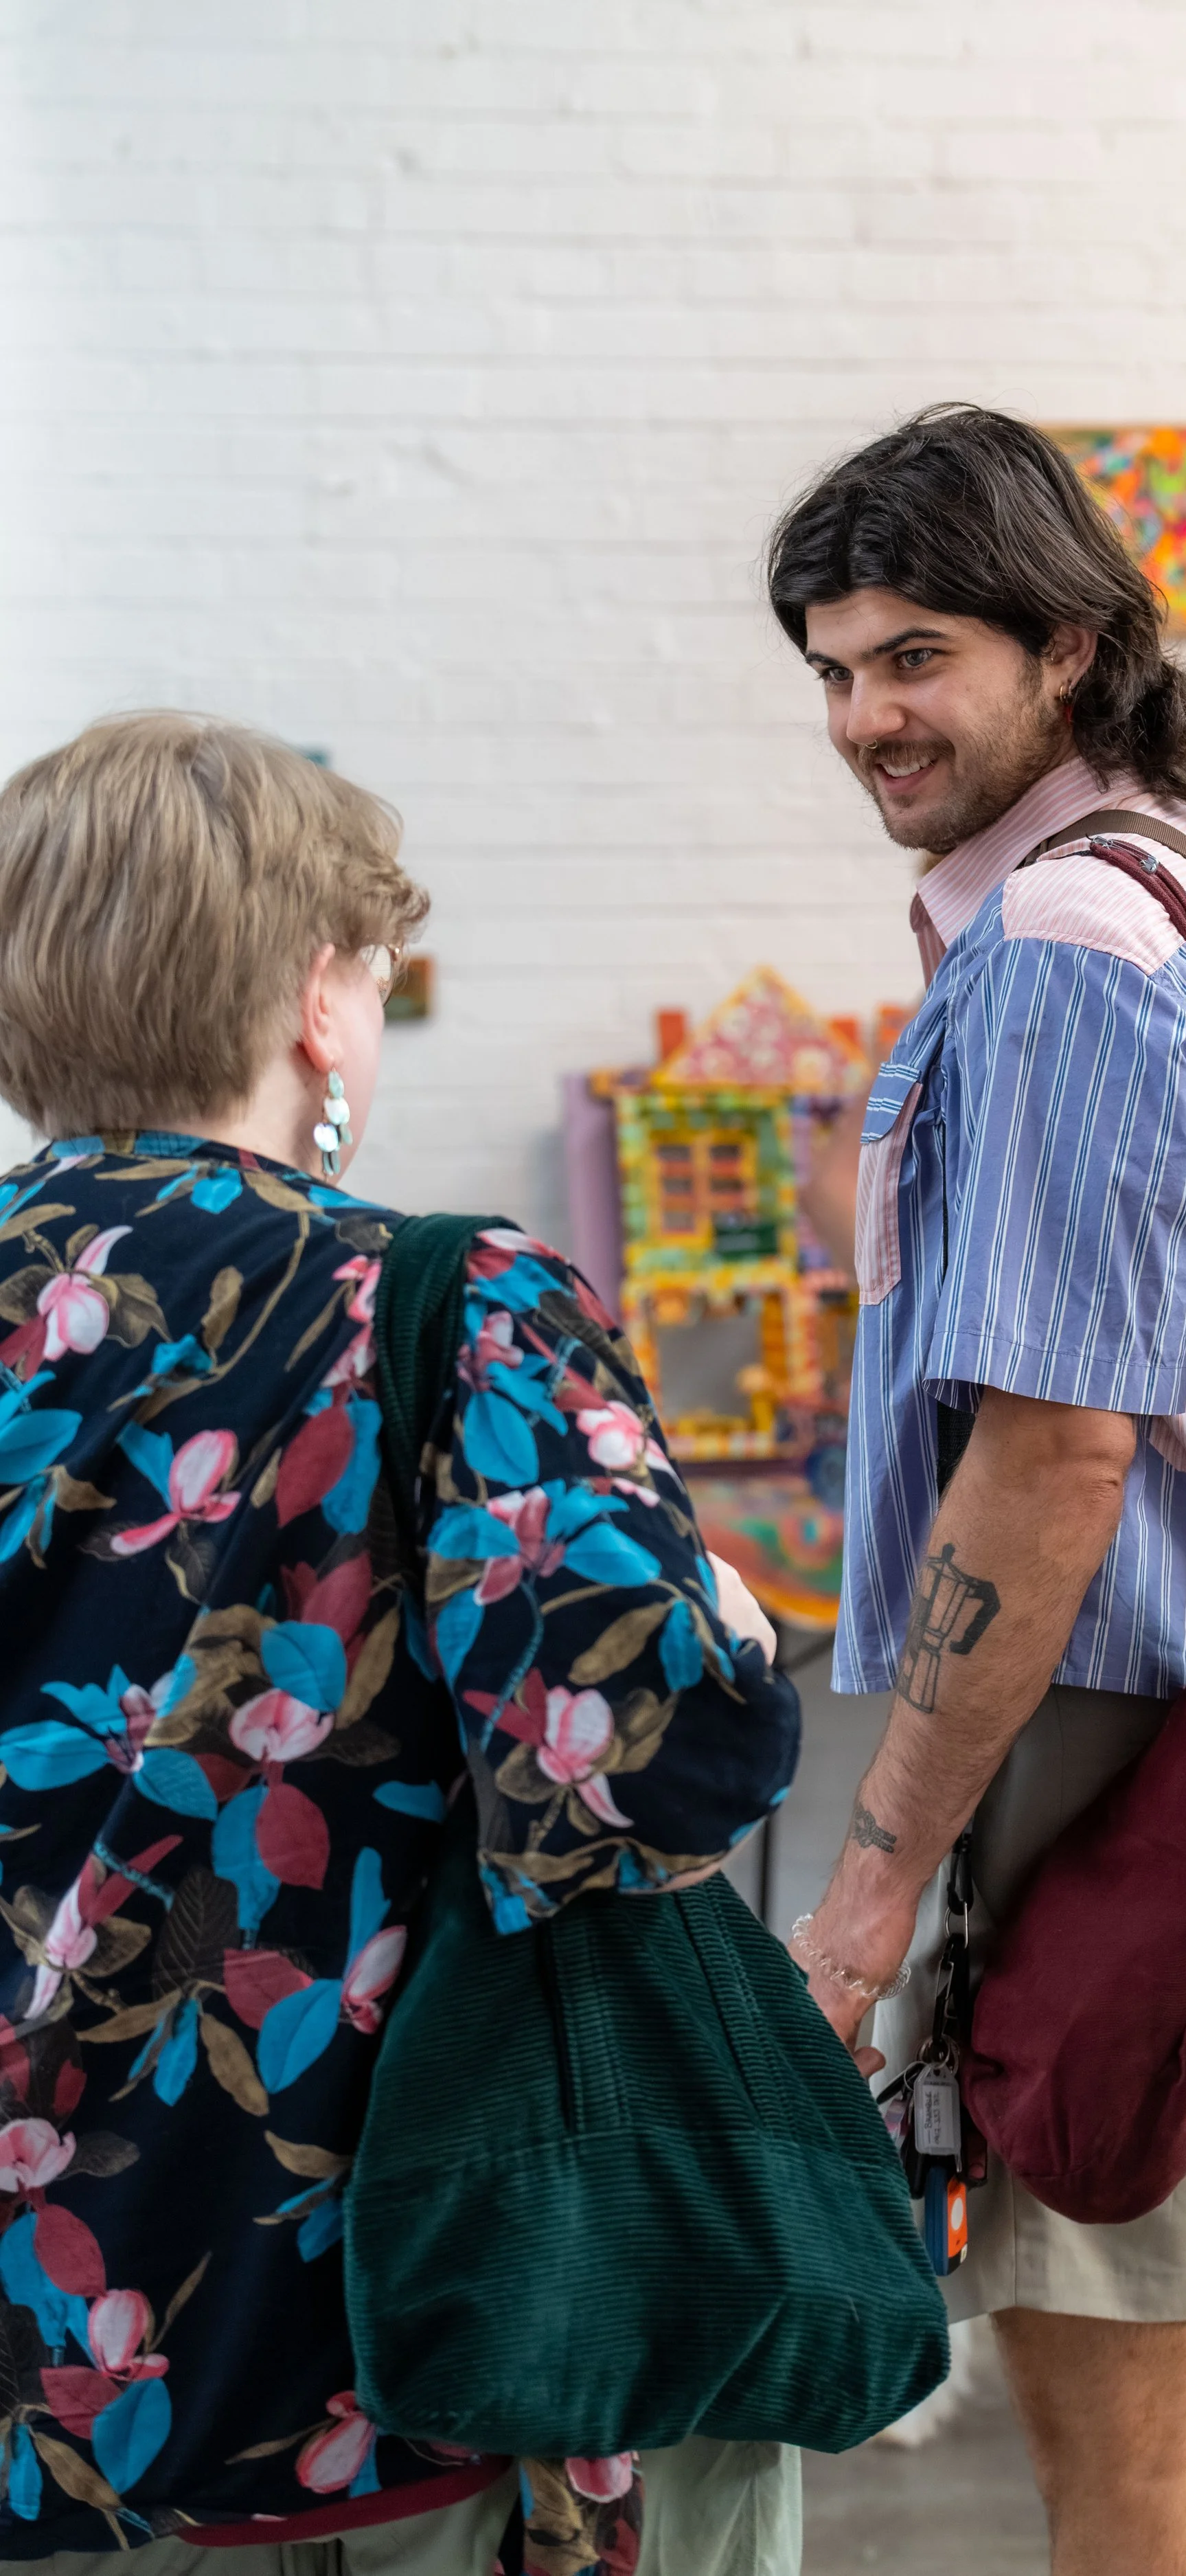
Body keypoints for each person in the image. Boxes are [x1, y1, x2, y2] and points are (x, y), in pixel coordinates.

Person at [0, 714, 801, 2575]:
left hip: (49, 2373)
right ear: (313, 1001)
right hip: (382, 2306)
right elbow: (645, 1759)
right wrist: (734, 1640)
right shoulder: (446, 1305)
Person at [766, 405, 1186, 2576]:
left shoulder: (1059, 942)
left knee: (1114, 2440)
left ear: (1073, 641)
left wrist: (865, 1893)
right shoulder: (1179, 888)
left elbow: (1053, 1455)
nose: (865, 716)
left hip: (1129, 1728)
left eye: (916, 653)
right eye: (835, 666)